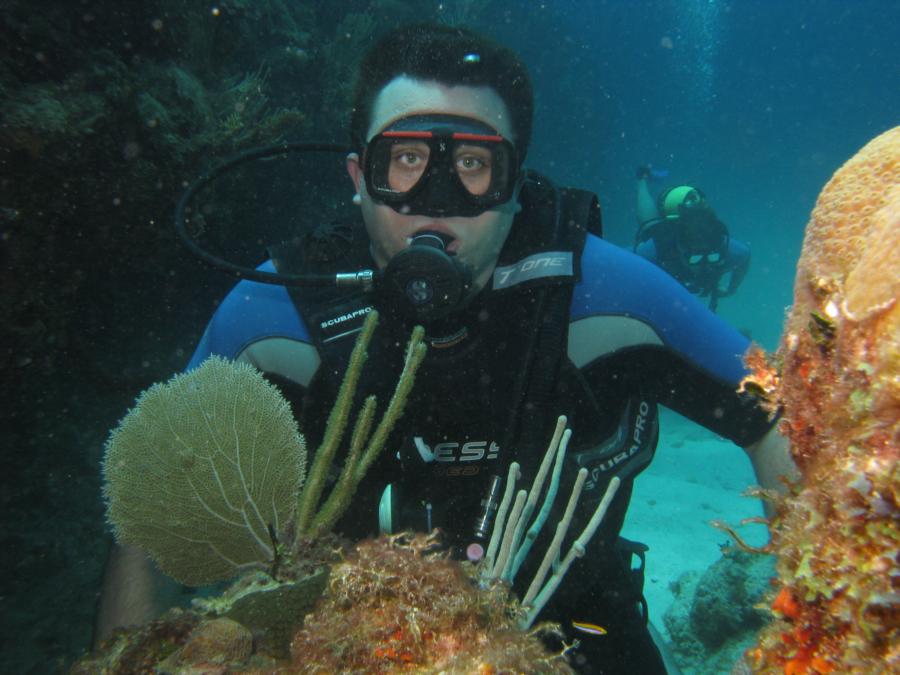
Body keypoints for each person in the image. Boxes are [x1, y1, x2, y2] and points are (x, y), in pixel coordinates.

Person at [95, 23, 796, 674]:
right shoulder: (273, 316)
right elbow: (149, 509)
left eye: (470, 163)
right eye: (403, 159)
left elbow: (777, 416)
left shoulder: (606, 294)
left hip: (578, 638)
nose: (435, 200)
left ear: (514, 183)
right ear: (356, 178)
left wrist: (812, 629)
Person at [634, 168, 750, 311]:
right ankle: (642, 178)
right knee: (649, 224)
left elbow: (745, 257)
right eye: (695, 258)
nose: (705, 264)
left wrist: (732, 289)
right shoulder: (657, 248)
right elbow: (630, 264)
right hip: (665, 242)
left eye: (711, 256)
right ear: (679, 248)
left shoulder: (724, 247)